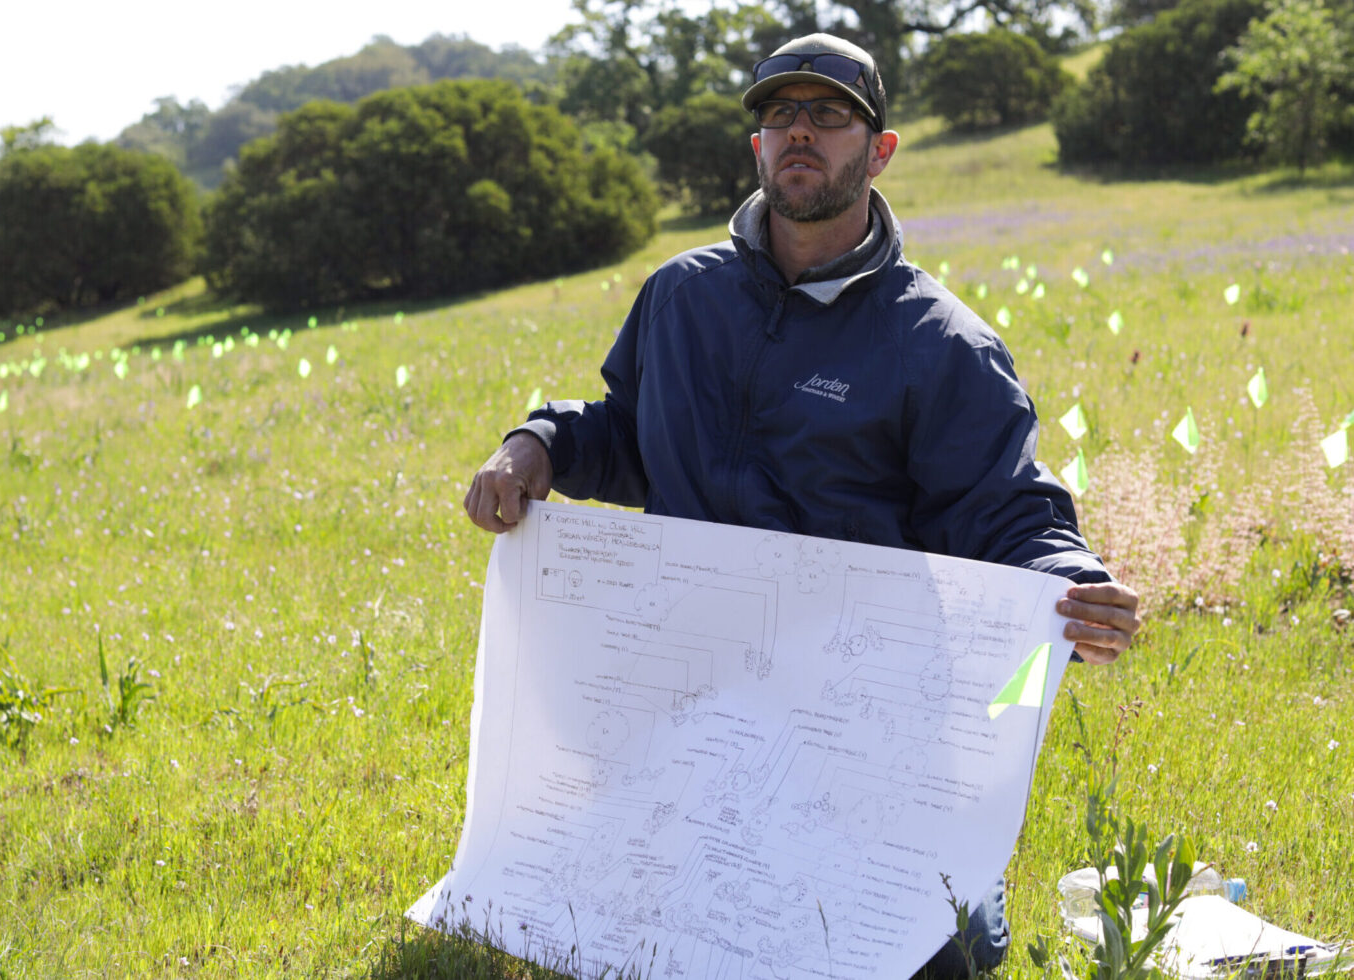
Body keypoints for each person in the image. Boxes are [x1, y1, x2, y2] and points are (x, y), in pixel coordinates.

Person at [463, 32, 1141, 979]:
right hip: (687, 690)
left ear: (881, 149)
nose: (798, 133)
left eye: (828, 115)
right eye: (778, 114)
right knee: (624, 927)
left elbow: (1005, 510)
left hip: (853, 718)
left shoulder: (939, 343)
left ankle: (956, 906)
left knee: (922, 957)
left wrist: (1069, 579)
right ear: (755, 147)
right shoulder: (679, 296)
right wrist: (536, 443)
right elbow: (629, 433)